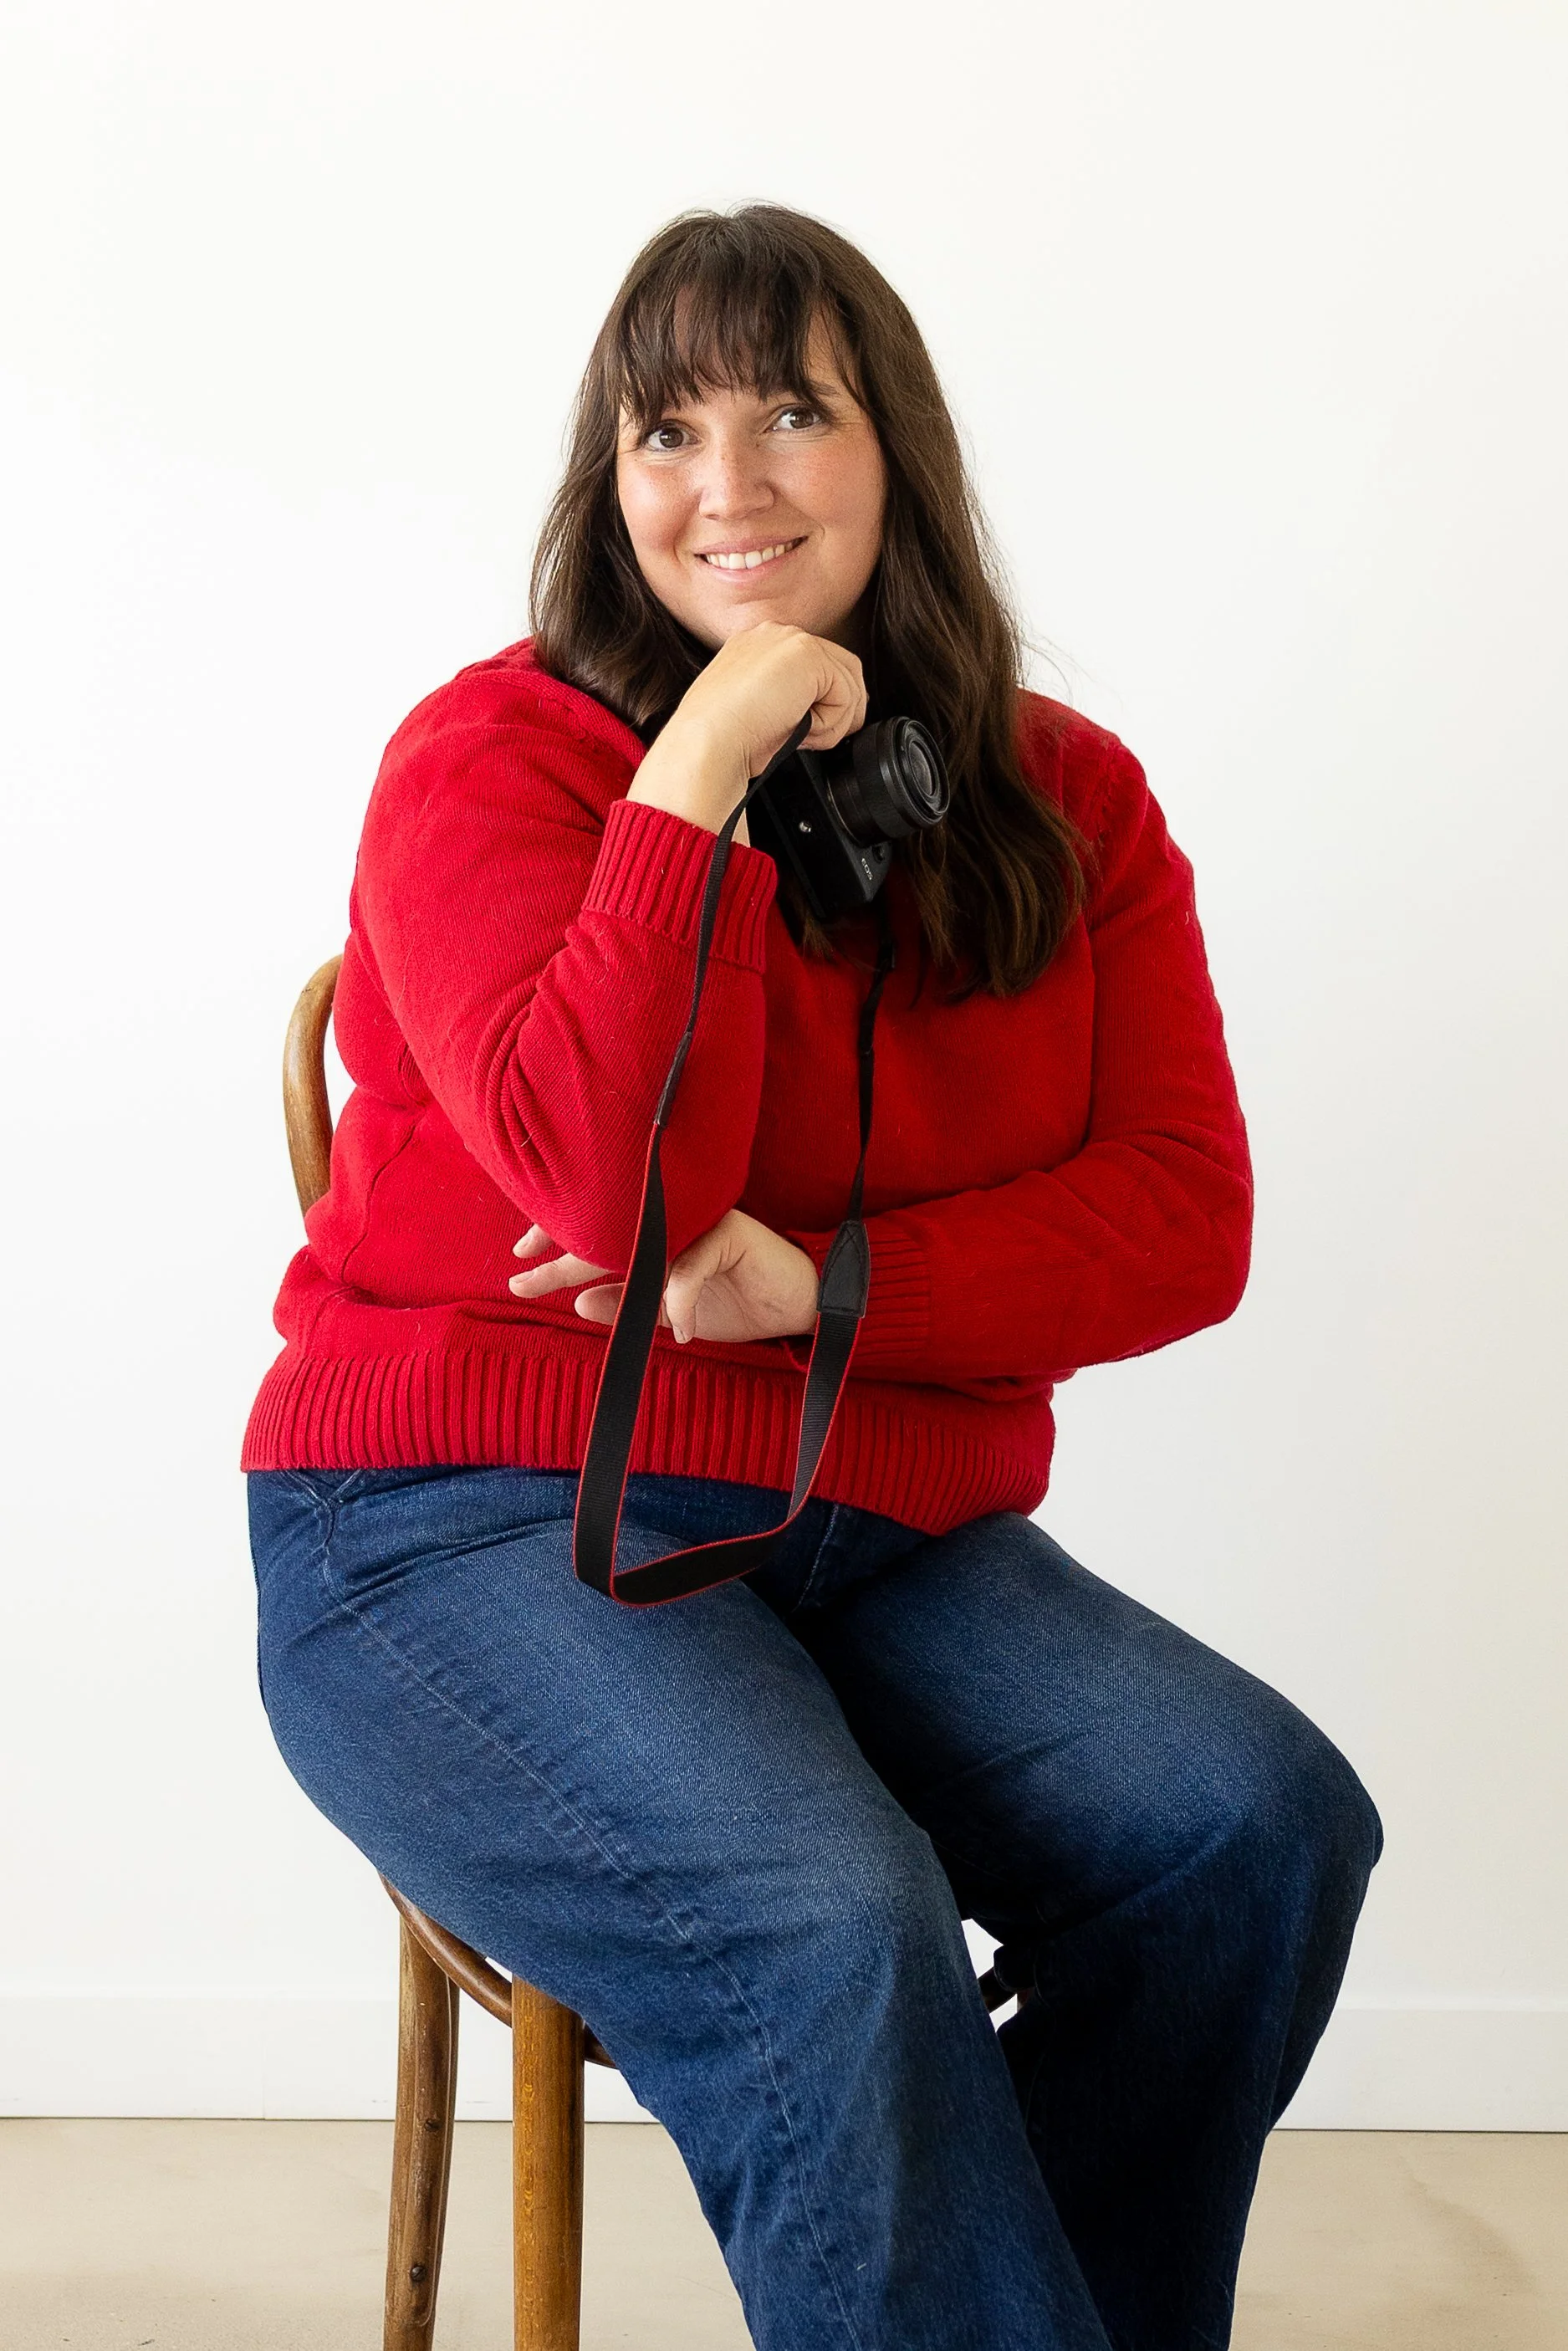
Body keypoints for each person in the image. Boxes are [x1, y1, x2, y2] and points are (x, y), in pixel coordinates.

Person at [243, 203, 1382, 2351]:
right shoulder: (488, 763)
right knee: (827, 1921)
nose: (728, 481)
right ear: (609, 483)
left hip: (872, 1520)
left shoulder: (1069, 801)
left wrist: (830, 1284)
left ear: (897, 456)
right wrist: (711, 755)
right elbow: (610, 1174)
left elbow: (1179, 1213)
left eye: (791, 412)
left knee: (1251, 1823)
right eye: (664, 430)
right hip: (452, 1532)